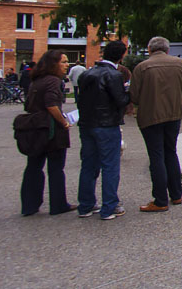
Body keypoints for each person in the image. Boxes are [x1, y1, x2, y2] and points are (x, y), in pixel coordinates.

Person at [130, 36, 182, 212]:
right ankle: (177, 194)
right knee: (171, 152)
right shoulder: (180, 64)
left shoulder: (142, 67)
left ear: (149, 49)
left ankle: (160, 200)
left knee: (156, 156)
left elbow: (133, 96)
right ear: (167, 49)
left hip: (151, 117)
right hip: (174, 115)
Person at [76, 41, 130, 220]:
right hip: (106, 125)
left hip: (87, 124)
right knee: (110, 166)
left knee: (89, 165)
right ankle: (109, 206)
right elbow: (120, 100)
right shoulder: (113, 75)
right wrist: (129, 92)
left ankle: (85, 205)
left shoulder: (86, 73)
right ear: (122, 55)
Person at [19, 50, 74, 216]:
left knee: (34, 166)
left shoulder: (37, 80)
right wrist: (63, 122)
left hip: (35, 128)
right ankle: (58, 204)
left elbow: (28, 104)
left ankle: (29, 205)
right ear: (53, 64)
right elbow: (51, 105)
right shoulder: (53, 81)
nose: (67, 65)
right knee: (56, 168)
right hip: (50, 129)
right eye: (63, 62)